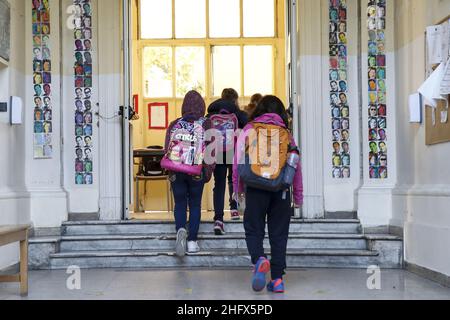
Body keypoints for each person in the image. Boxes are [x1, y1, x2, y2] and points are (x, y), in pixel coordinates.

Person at [233, 95, 303, 294]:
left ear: (259, 110)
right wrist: (298, 196)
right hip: (280, 189)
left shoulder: (249, 130)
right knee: (279, 235)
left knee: (253, 228)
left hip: (255, 188)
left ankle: (259, 259)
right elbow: (296, 165)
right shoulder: (286, 134)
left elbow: (237, 163)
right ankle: (278, 280)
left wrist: (237, 191)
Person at [162, 91, 215, 256]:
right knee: (195, 205)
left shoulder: (175, 124)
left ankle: (180, 231)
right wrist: (206, 172)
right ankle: (192, 242)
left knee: (179, 204)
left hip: (177, 170)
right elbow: (212, 151)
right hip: (195, 170)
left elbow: (167, 148)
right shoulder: (206, 123)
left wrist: (170, 169)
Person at [207, 92, 248, 235]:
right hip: (233, 150)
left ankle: (218, 219)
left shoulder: (211, 112)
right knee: (233, 179)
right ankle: (234, 209)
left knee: (218, 184)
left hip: (216, 151)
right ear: (234, 99)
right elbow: (249, 124)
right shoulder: (237, 113)